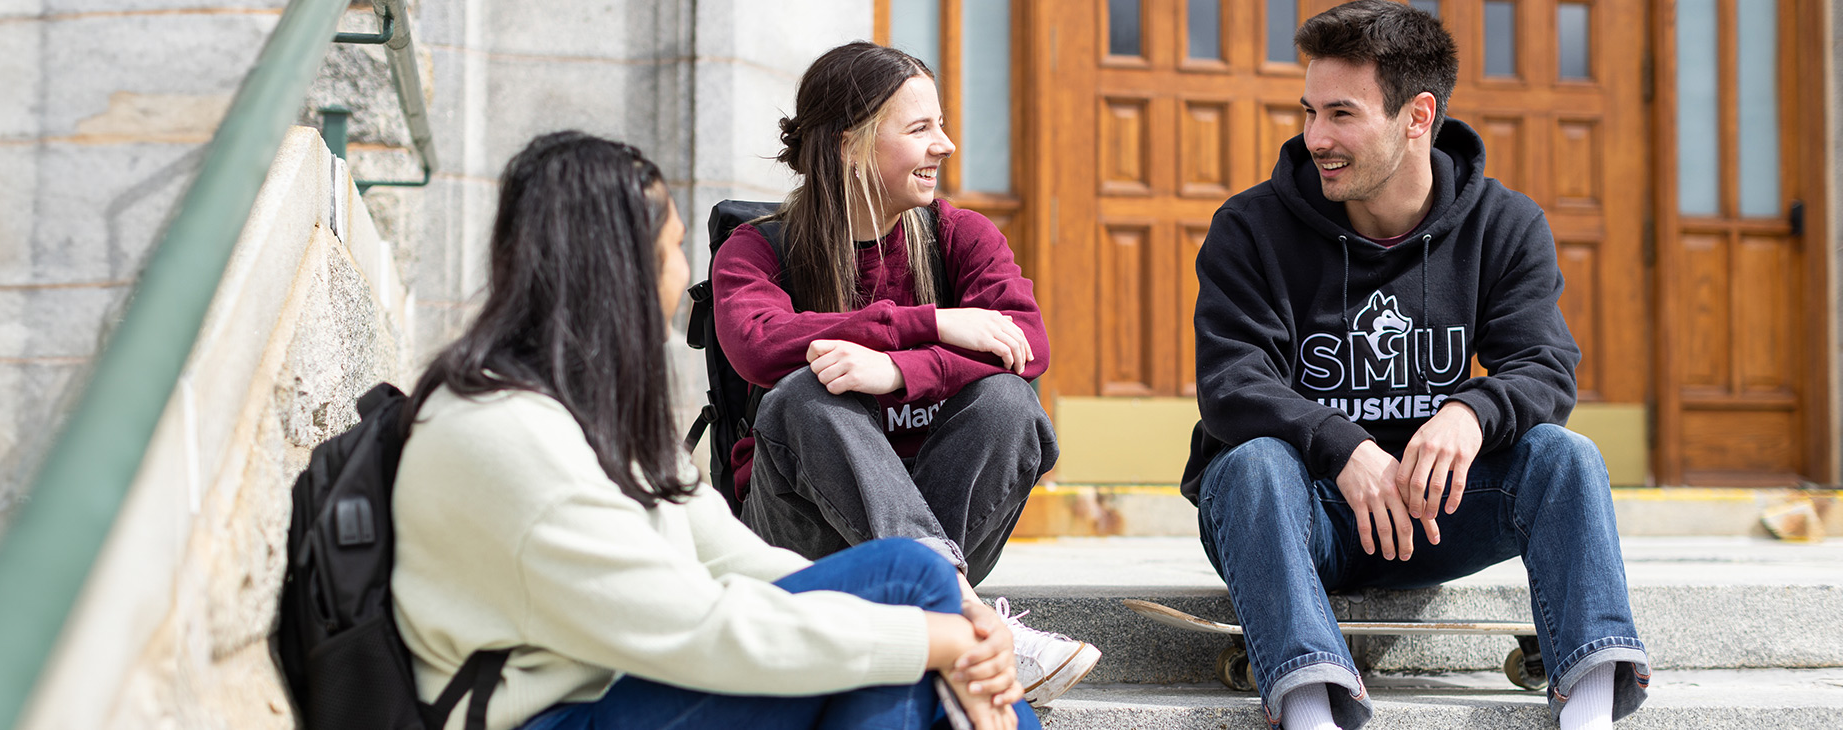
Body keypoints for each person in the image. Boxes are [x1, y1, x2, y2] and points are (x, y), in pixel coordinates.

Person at [390, 131, 1039, 730]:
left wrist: (956, 616)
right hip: (554, 715)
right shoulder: (505, 435)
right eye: (671, 248)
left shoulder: (581, 406)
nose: (681, 273)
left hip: (625, 682)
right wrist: (941, 639)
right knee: (913, 633)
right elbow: (699, 631)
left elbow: (733, 557)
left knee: (909, 584)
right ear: (618, 266)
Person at [1182, 3, 1650, 729]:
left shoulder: (1504, 223)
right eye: (1309, 111)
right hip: (1302, 516)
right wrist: (1344, 449)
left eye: (1342, 114)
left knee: (1564, 456)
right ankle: (1311, 709)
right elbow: (1231, 385)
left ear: (1417, 115)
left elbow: (1545, 366)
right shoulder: (1251, 228)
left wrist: (1469, 413)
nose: (1316, 138)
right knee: (1249, 464)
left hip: (1441, 514)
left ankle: (1587, 707)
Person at [711, 41, 1100, 706]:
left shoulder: (961, 236)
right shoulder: (760, 247)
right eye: (920, 129)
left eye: (941, 125)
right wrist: (928, 324)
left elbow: (1025, 343)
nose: (945, 145)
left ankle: (941, 604)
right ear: (848, 144)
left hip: (943, 507)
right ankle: (964, 612)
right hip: (802, 534)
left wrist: (894, 371)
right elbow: (757, 346)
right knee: (805, 393)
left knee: (1008, 399)